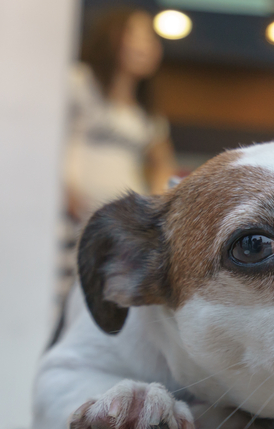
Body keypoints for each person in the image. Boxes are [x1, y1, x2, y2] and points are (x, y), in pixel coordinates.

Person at [59, 8, 176, 298]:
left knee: (105, 297)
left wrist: (154, 209)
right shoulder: (79, 82)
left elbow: (163, 163)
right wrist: (63, 187)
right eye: (135, 35)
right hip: (68, 216)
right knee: (64, 294)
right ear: (110, 39)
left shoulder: (148, 114)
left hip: (120, 228)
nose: (145, 45)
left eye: (150, 38)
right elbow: (51, 137)